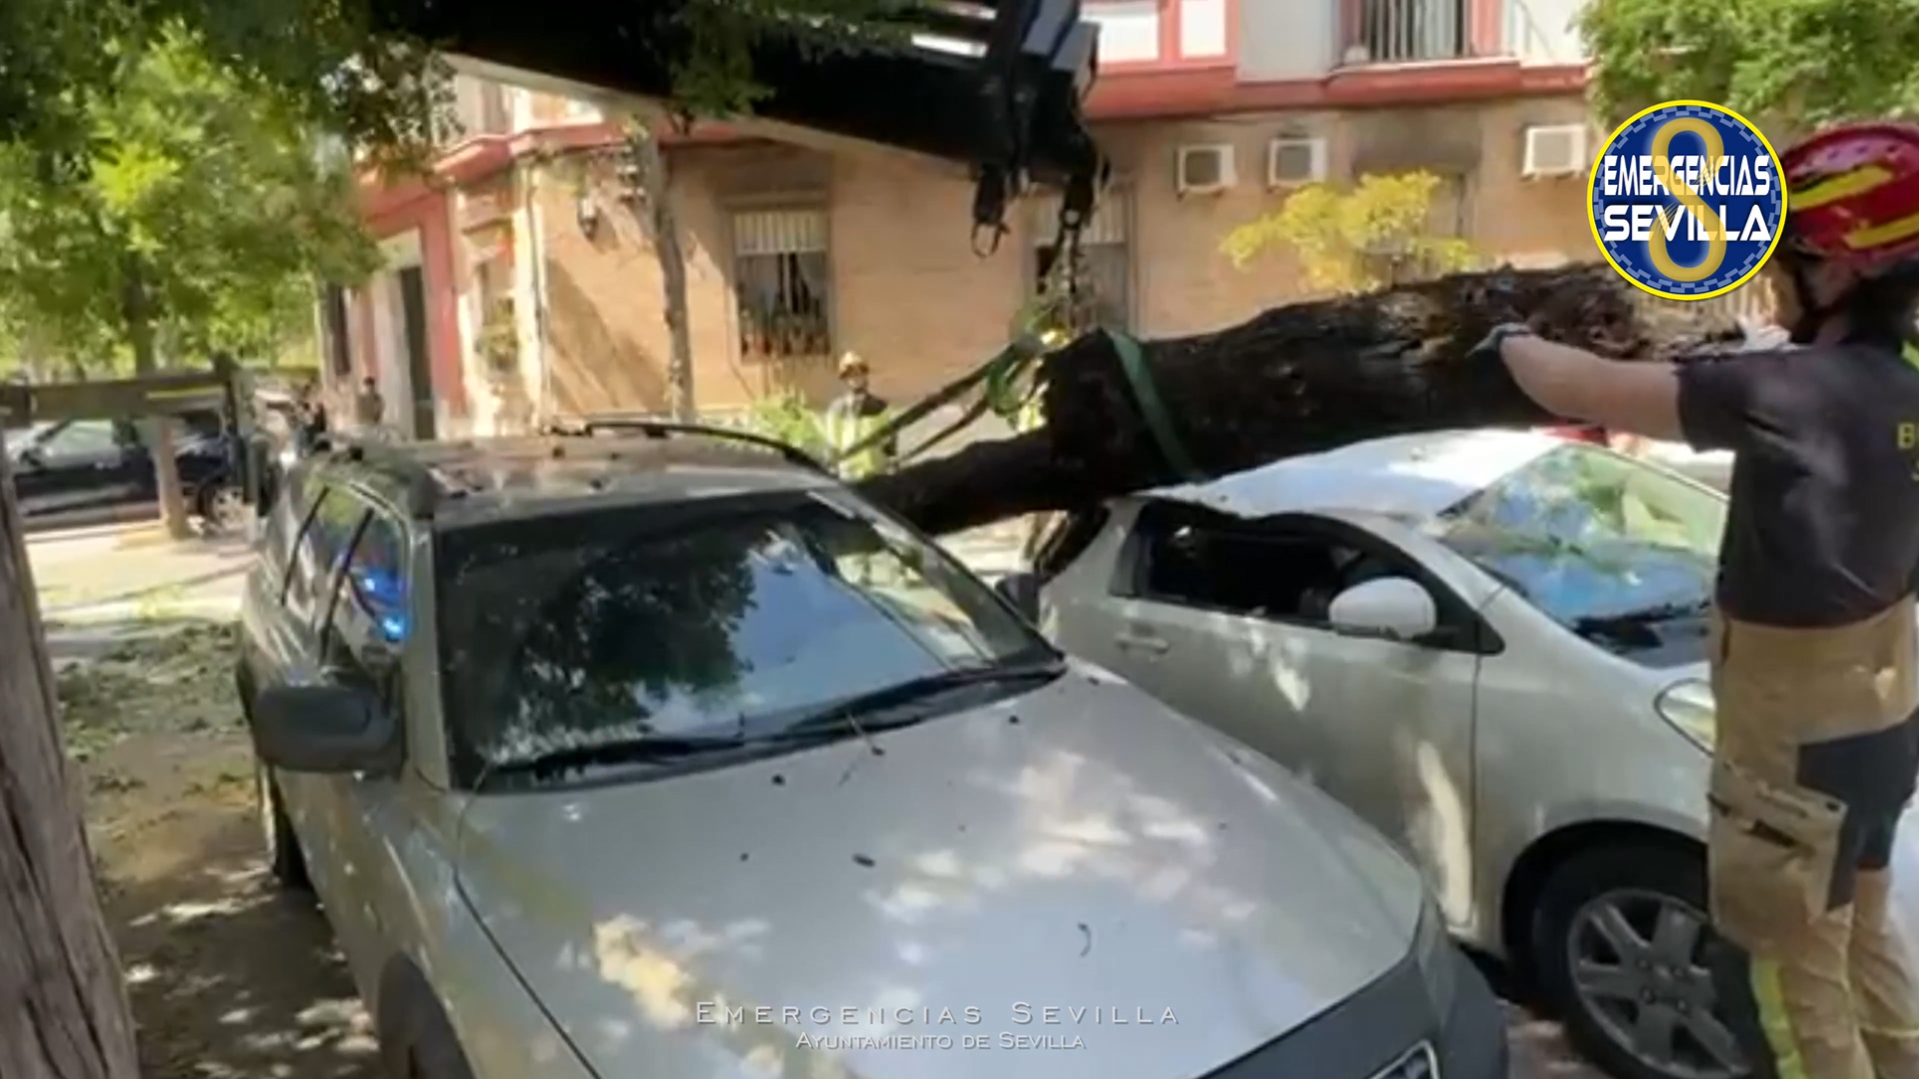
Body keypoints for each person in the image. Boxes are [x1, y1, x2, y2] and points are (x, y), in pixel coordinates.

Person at [1476, 122, 1919, 1078]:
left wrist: (1505, 334)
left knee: (1785, 976)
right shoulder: (1897, 390)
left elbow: (1584, 385)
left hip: (1791, 740)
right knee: (1864, 937)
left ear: (1838, 269)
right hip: (1882, 721)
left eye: (1786, 258)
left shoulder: (1783, 392)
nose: (1770, 281)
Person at [822, 351, 897, 482]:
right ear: (845, 379)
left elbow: (889, 443)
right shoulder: (837, 409)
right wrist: (832, 469)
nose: (855, 378)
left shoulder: (880, 407)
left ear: (865, 375)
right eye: (850, 375)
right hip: (849, 474)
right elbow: (833, 444)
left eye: (858, 373)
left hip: (875, 472)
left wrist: (892, 464)